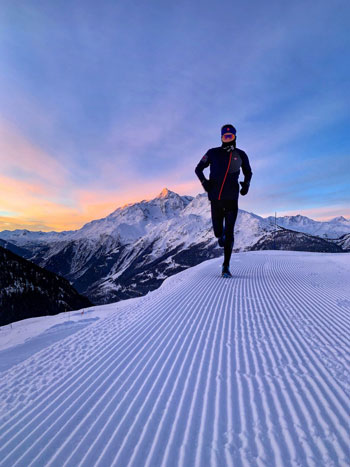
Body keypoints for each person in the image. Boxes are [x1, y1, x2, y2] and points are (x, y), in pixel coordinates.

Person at [195, 124, 252, 277]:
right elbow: (198, 169)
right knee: (218, 232)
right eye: (225, 137)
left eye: (230, 137)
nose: (228, 139)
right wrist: (204, 183)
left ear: (235, 137)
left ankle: (226, 266)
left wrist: (246, 185)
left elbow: (248, 172)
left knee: (230, 232)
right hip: (215, 200)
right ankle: (221, 237)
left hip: (232, 200)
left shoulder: (240, 155)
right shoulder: (212, 153)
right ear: (221, 138)